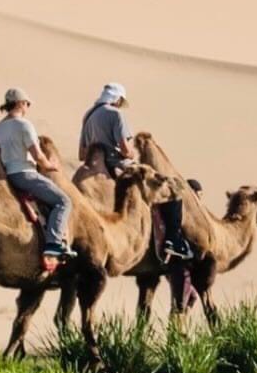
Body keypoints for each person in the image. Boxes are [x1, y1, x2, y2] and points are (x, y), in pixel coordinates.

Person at [79, 82, 192, 261]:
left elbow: (81, 154)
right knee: (172, 190)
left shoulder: (88, 115)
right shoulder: (116, 115)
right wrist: (131, 153)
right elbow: (125, 149)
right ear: (117, 99)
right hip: (118, 165)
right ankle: (173, 239)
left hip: (94, 164)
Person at [0, 87, 75, 262]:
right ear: (21, 103)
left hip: (7, 176)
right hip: (26, 174)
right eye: (27, 104)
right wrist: (52, 165)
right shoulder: (24, 125)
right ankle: (53, 244)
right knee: (63, 201)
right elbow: (38, 157)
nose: (28, 107)